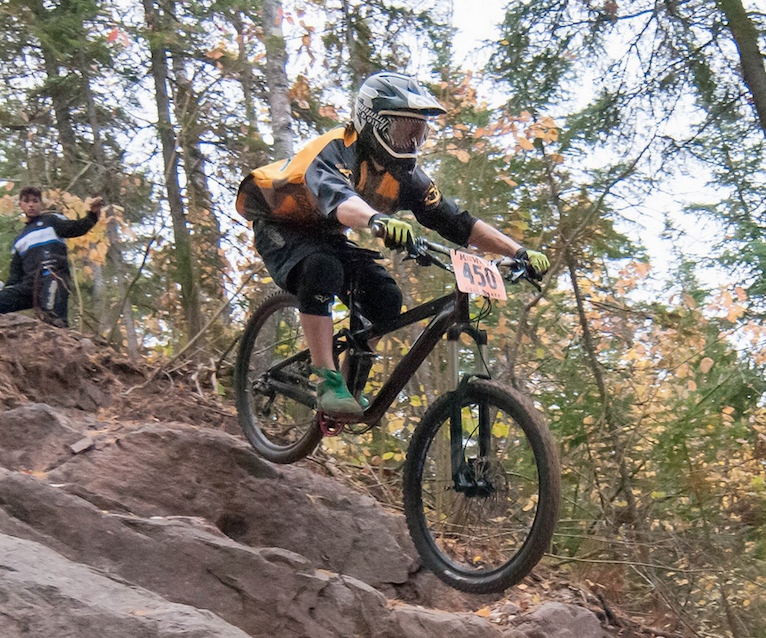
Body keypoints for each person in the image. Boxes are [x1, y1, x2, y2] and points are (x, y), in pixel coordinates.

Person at [235, 71, 550, 417]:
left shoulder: (406, 177)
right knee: (321, 267)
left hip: (326, 232)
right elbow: (340, 199)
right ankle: (326, 376)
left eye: (418, 133)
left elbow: (457, 222)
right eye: (403, 131)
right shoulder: (338, 149)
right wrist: (375, 219)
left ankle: (350, 384)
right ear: (372, 124)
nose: (411, 142)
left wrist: (516, 251)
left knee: (386, 300)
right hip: (278, 219)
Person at [0, 186, 102, 327]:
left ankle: (61, 342)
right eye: (27, 201)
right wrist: (7, 291)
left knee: (52, 317)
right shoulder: (20, 238)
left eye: (35, 201)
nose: (31, 204)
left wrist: (92, 215)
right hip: (28, 287)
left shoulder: (51, 221)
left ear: (41, 204)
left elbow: (75, 228)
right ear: (21, 205)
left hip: (53, 277)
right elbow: (15, 272)